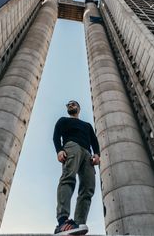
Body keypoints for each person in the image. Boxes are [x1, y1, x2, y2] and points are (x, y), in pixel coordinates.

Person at [53, 100, 100, 235]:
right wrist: (59, 150)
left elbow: (94, 141)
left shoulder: (87, 125)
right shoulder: (63, 120)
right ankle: (63, 222)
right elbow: (56, 136)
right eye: (68, 104)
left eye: (73, 104)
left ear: (78, 108)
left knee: (88, 188)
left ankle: (78, 224)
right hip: (71, 146)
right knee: (68, 178)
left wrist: (97, 154)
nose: (70, 105)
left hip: (87, 154)